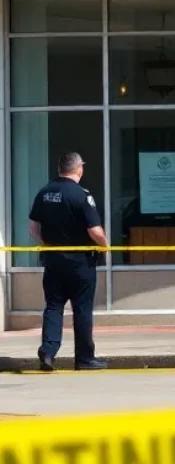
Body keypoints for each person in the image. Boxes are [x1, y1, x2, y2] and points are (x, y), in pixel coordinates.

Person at [29, 152, 109, 371]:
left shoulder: (44, 192)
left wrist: (47, 245)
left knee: (53, 306)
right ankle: (84, 359)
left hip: (53, 260)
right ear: (78, 169)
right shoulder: (81, 195)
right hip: (80, 263)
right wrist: (105, 246)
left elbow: (33, 229)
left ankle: (48, 351)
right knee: (82, 310)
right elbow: (94, 231)